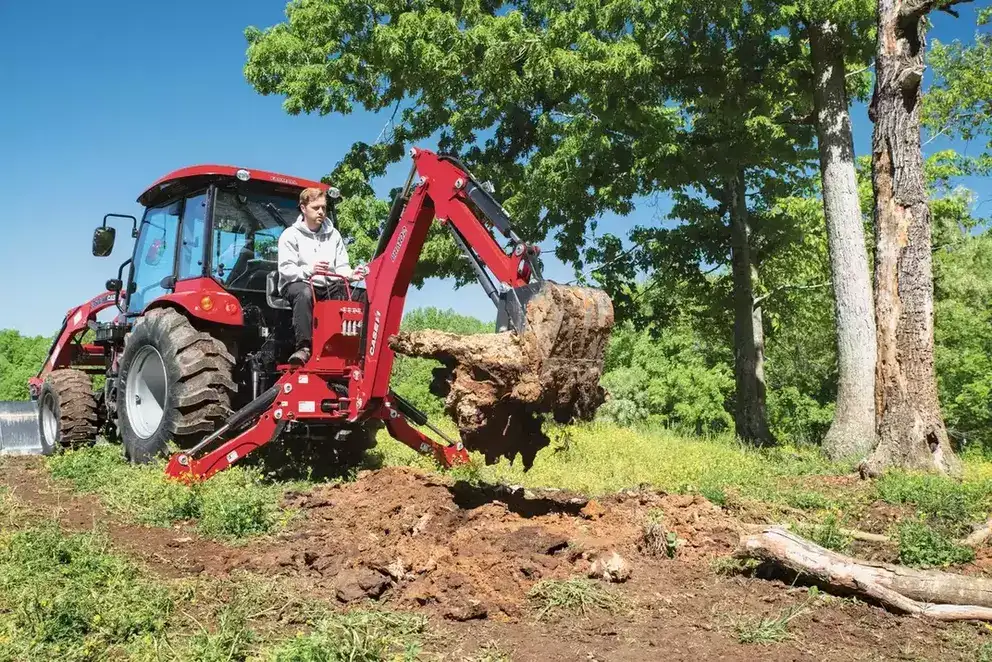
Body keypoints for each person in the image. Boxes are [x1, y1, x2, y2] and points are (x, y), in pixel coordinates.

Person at [277, 186, 368, 365]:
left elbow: (341, 267)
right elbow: (286, 270)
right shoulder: (289, 235)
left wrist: (352, 274)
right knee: (304, 293)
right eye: (316, 208)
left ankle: (360, 350)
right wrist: (310, 270)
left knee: (362, 296)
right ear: (303, 208)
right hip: (298, 282)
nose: (321, 212)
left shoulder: (334, 235)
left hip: (328, 284)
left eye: (324, 208)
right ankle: (303, 348)